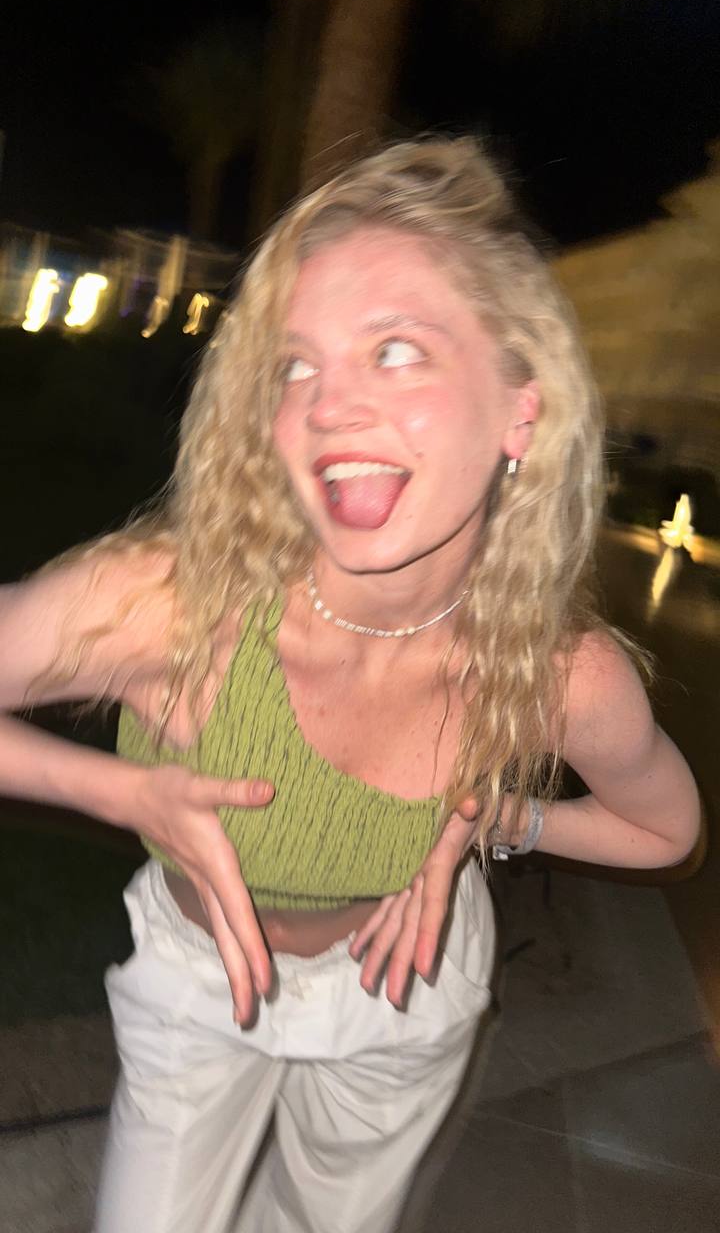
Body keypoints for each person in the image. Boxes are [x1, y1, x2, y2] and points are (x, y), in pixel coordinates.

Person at [0, 139, 700, 1233]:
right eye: (295, 365)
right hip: (197, 986)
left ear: (519, 412)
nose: (328, 405)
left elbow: (664, 831)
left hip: (403, 995)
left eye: (397, 349)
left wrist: (496, 817)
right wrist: (120, 791)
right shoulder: (171, 603)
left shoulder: (559, 671)